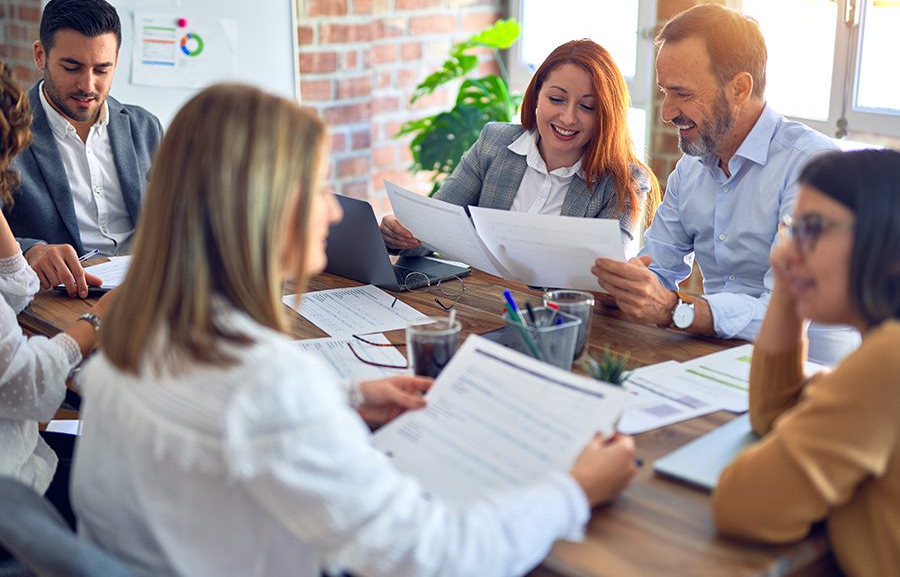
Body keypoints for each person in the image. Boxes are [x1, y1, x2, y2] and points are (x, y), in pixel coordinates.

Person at [70, 84, 638, 576]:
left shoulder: (142, 326)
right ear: (267, 209)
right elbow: (433, 556)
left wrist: (341, 398)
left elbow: (222, 423)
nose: (335, 211)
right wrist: (573, 491)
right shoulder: (268, 384)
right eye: (319, 188)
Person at [591, 3, 859, 366]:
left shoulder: (814, 168)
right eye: (664, 91)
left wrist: (677, 310)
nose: (667, 112)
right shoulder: (691, 170)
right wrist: (625, 286)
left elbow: (785, 311)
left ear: (739, 88)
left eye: (683, 94)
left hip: (811, 375)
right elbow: (658, 267)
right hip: (716, 360)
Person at [712, 149, 900, 575]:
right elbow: (774, 415)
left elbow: (744, 507)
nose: (788, 251)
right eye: (794, 230)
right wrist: (788, 285)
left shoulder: (888, 359)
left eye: (814, 230)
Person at [381, 39, 660, 257]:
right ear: (537, 93)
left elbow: (610, 277)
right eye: (556, 99)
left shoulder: (625, 181)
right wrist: (401, 234)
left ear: (607, 115)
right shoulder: (494, 143)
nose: (567, 117)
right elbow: (430, 231)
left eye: (587, 107)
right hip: (478, 306)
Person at [0, 61, 111, 540]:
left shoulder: (143, 125)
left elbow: (19, 286)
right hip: (12, 491)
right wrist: (96, 323)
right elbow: (25, 383)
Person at [5, 0, 163, 298]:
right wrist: (29, 251)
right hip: (59, 299)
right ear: (40, 56)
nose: (88, 86)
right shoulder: (8, 132)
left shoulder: (146, 128)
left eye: (102, 70)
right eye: (72, 68)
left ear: (116, 62)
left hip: (148, 292)